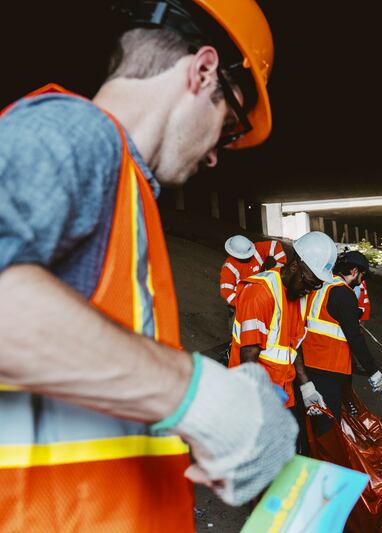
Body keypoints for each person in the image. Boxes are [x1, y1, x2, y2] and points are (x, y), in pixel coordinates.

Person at [0, 1, 297, 529]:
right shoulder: (74, 131)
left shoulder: (128, 197)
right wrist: (198, 394)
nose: (215, 155)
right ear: (204, 69)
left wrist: (186, 423)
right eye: (228, 124)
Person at [228, 231, 338, 414]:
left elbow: (293, 345)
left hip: (281, 393)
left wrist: (306, 386)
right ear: (295, 266)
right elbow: (249, 353)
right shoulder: (260, 292)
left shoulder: (298, 296)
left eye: (317, 286)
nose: (310, 290)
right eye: (310, 283)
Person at [298, 251, 382, 435]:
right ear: (354, 271)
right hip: (329, 367)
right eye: (362, 276)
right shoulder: (343, 294)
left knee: (309, 418)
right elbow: (355, 337)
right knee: (327, 422)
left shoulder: (320, 286)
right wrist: (373, 371)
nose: (362, 282)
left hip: (308, 363)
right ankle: (324, 460)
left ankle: (307, 454)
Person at [219, 234, 287, 307]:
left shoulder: (257, 249)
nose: (248, 257)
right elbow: (227, 292)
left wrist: (277, 270)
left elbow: (275, 246)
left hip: (262, 289)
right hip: (243, 299)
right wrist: (244, 305)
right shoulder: (228, 269)